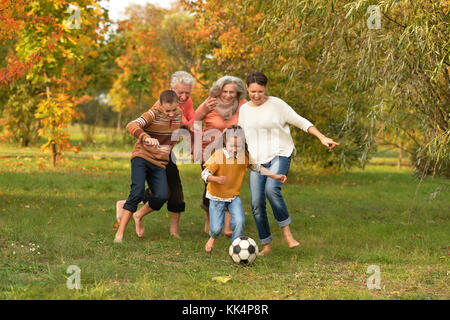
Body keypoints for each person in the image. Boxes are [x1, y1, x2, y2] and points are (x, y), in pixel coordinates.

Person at [238, 71, 339, 255]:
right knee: (256, 202)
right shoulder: (244, 110)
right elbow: (242, 135)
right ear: (247, 88)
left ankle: (287, 234)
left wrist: (321, 137)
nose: (256, 95)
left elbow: (300, 121)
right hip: (257, 160)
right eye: (253, 91)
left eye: (260, 91)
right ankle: (266, 245)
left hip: (279, 153)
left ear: (266, 88)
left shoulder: (277, 105)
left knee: (271, 189)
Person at [115, 71, 195, 238]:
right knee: (137, 191)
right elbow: (133, 124)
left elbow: (181, 124)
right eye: (181, 92)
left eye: (187, 93)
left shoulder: (179, 112)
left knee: (162, 195)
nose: (184, 96)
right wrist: (145, 137)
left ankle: (137, 214)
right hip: (144, 155)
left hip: (162, 159)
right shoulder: (157, 109)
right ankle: (119, 234)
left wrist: (190, 132)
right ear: (172, 89)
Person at [201, 125, 287, 252]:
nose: (235, 149)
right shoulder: (218, 155)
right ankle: (212, 237)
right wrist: (215, 179)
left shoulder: (243, 156)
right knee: (216, 229)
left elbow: (257, 167)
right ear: (225, 142)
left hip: (233, 196)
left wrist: (274, 175)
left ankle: (235, 247)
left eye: (238, 146)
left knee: (240, 221)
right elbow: (204, 174)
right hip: (216, 196)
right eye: (232, 146)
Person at [194, 76, 247, 237]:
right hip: (209, 152)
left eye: (232, 92)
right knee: (211, 187)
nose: (228, 95)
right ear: (219, 91)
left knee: (229, 184)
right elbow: (195, 119)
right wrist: (196, 143)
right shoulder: (210, 103)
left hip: (232, 153)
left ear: (238, 92)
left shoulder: (243, 106)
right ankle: (209, 219)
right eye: (225, 91)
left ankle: (226, 227)